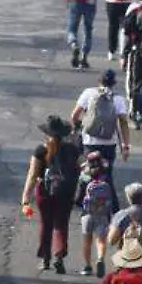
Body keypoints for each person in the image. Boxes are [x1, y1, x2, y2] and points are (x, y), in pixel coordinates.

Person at [26, 115, 85, 275]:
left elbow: (32, 175)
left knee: (46, 225)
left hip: (44, 192)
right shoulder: (72, 149)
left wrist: (25, 198)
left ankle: (45, 259)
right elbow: (83, 167)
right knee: (61, 224)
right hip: (66, 192)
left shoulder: (41, 150)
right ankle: (59, 255)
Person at [73, 68, 133, 183]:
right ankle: (109, 199)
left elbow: (74, 116)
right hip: (109, 144)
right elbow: (123, 123)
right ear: (113, 83)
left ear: (99, 80)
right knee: (106, 177)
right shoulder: (118, 100)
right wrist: (125, 146)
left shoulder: (88, 93)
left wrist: (82, 127)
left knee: (88, 175)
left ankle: (85, 199)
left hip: (89, 142)